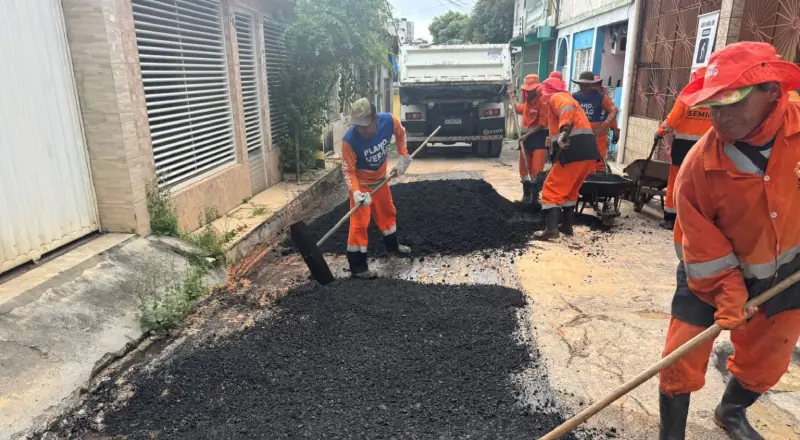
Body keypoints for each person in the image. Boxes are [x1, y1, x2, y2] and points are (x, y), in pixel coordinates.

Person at [658, 42, 800, 440]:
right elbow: (702, 246)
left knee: (767, 360)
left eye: (733, 103)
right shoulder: (699, 168)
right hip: (708, 272)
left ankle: (731, 411)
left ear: (772, 92)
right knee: (679, 358)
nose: (719, 116)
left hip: (788, 271)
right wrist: (727, 292)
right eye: (714, 105)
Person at [341, 98, 413, 279]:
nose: (362, 130)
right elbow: (348, 171)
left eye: (365, 126)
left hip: (381, 180)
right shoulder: (349, 141)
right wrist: (356, 193)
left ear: (375, 118)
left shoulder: (388, 121)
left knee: (388, 212)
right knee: (359, 224)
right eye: (358, 126)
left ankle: (393, 246)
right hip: (362, 185)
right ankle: (358, 267)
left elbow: (401, 134)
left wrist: (403, 156)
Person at [530, 76, 600, 240]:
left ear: (547, 90)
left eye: (542, 92)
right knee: (570, 190)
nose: (541, 96)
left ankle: (551, 230)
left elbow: (565, 109)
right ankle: (567, 226)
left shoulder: (558, 97)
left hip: (572, 149)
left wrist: (564, 132)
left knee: (551, 189)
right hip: (588, 151)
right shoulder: (569, 98)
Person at [654, 67, 713, 230]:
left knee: (676, 182)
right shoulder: (716, 98)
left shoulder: (687, 97)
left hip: (683, 147)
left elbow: (672, 121)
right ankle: (695, 220)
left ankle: (670, 219)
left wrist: (659, 132)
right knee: (701, 184)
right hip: (706, 149)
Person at [571, 71, 619, 172]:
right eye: (582, 85)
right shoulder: (574, 97)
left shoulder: (601, 97)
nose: (584, 87)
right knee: (580, 161)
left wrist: (603, 127)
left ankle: (598, 181)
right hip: (580, 135)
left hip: (598, 135)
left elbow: (614, 110)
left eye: (587, 85)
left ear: (592, 84)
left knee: (598, 161)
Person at [514, 74, 549, 203]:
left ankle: (535, 198)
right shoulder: (527, 102)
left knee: (536, 170)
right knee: (523, 169)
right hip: (525, 141)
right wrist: (511, 99)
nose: (529, 92)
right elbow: (519, 109)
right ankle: (526, 195)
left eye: (531, 89)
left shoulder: (542, 101)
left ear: (537, 88)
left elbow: (542, 124)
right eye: (527, 90)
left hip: (539, 139)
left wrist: (527, 135)